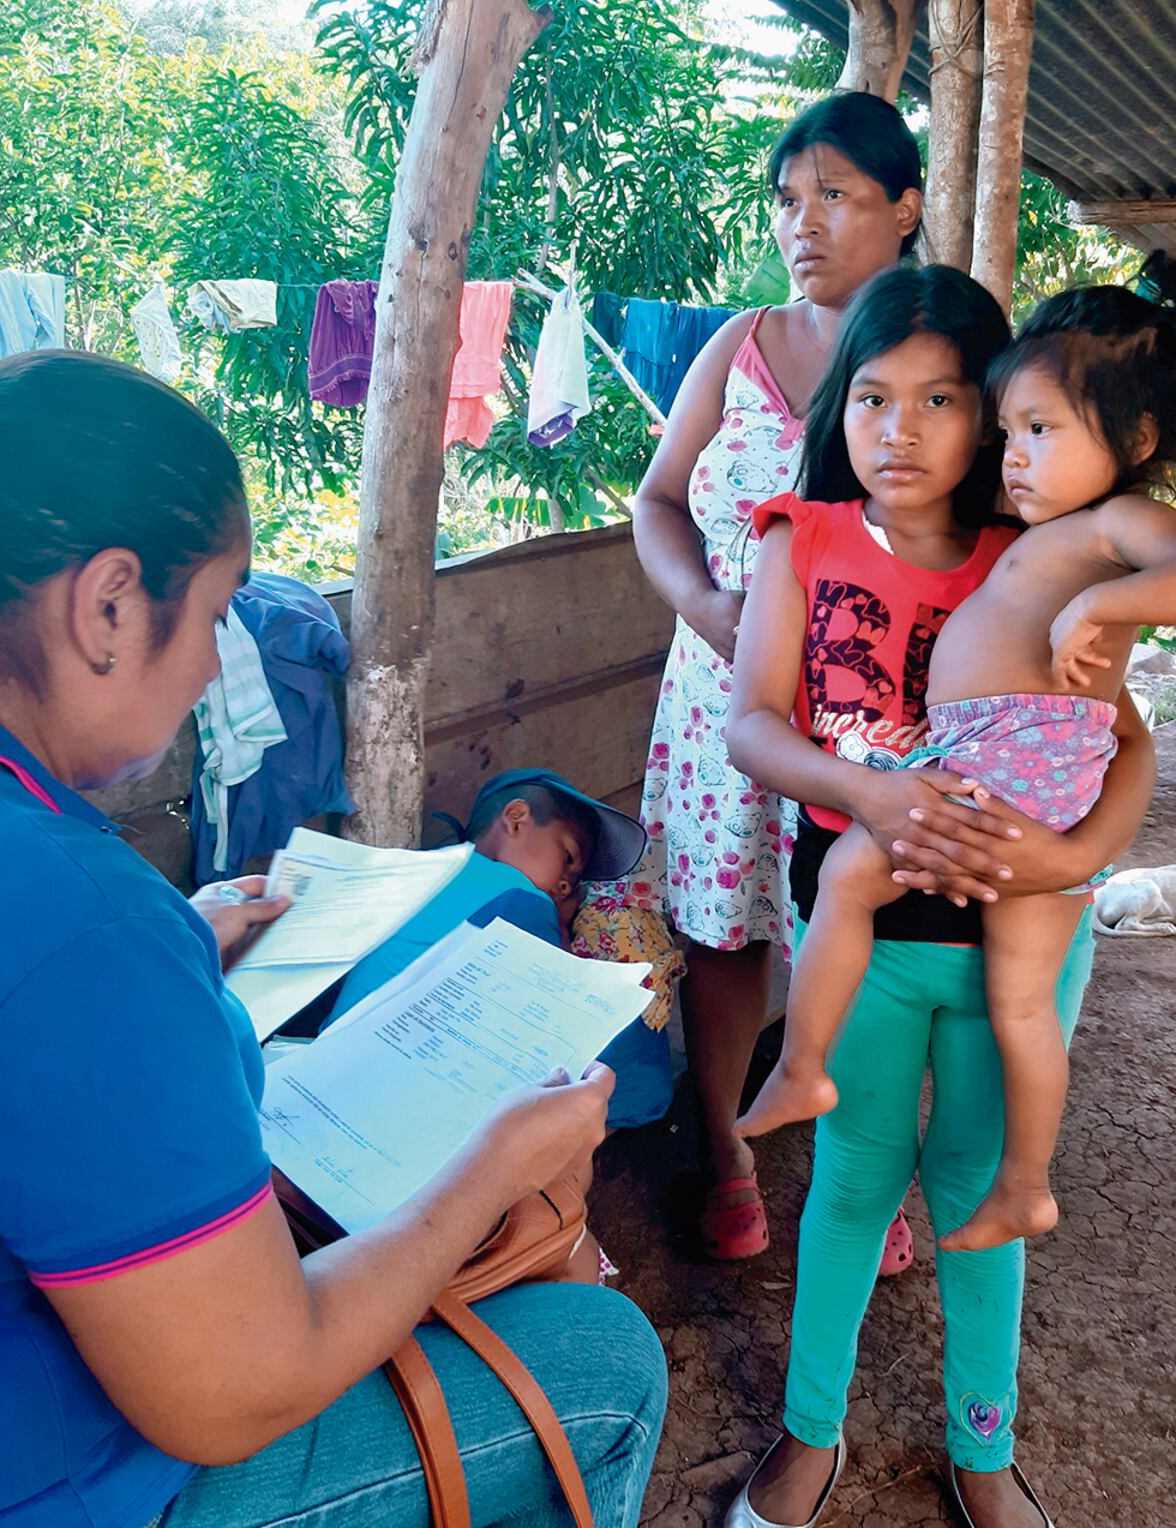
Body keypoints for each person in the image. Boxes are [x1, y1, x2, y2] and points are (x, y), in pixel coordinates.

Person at [0, 352, 667, 1528]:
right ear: (105, 606)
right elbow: (238, 1392)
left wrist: (184, 959)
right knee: (603, 1361)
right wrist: (492, 1165)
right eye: (213, 610)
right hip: (56, 1483)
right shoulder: (80, 918)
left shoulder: (54, 882)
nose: (209, 664)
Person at [723, 267, 1156, 1528]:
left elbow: (1124, 746)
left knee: (978, 1185)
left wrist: (1071, 863)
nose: (899, 430)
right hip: (870, 933)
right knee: (854, 1174)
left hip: (1017, 933)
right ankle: (812, 1432)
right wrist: (870, 798)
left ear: (995, 414)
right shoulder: (798, 540)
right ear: (839, 409)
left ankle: (984, 1442)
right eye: (870, 397)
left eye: (942, 400)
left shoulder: (1040, 558)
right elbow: (754, 724)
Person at [629, 91, 931, 1261]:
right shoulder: (742, 341)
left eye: (836, 196)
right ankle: (727, 1151)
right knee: (724, 933)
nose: (801, 224)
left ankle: (867, 1181)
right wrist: (708, 609)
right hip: (717, 702)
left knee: (872, 938)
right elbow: (657, 502)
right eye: (786, 201)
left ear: (903, 210)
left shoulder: (938, 359)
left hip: (867, 719)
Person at [323, 768, 677, 1132]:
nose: (565, 885)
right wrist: (561, 930)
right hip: (385, 1106)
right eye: (568, 858)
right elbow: (639, 1082)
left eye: (574, 882)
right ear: (517, 819)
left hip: (332, 1076)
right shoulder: (515, 895)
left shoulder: (435, 870)